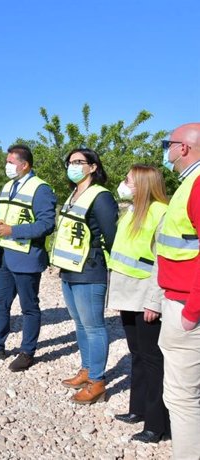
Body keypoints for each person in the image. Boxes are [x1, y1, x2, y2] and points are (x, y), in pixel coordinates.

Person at [0, 144, 56, 372]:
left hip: (26, 257)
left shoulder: (41, 188)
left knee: (29, 307)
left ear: (25, 165)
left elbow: (47, 224)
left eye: (11, 162)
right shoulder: (8, 186)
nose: (7, 166)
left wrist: (13, 230)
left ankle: (27, 352)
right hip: (6, 256)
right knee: (0, 302)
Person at [107, 165, 170, 442]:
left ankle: (157, 425)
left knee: (152, 358)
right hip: (128, 293)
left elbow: (161, 262)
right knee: (136, 353)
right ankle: (138, 410)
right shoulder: (131, 210)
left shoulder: (160, 213)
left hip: (146, 295)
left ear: (143, 184)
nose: (124, 184)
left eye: (128, 180)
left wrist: (154, 301)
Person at [52, 148, 118, 404]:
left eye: (79, 162)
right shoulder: (74, 194)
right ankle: (87, 369)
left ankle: (98, 381)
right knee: (80, 324)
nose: (73, 166)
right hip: (69, 268)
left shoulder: (100, 196)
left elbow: (111, 235)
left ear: (93, 167)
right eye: (70, 162)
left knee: (93, 326)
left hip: (89, 269)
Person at [156, 123, 200, 459]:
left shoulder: (197, 186)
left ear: (183, 148)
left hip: (189, 307)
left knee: (183, 400)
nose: (166, 151)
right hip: (181, 301)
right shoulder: (189, 185)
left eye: (167, 144)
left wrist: (190, 313)